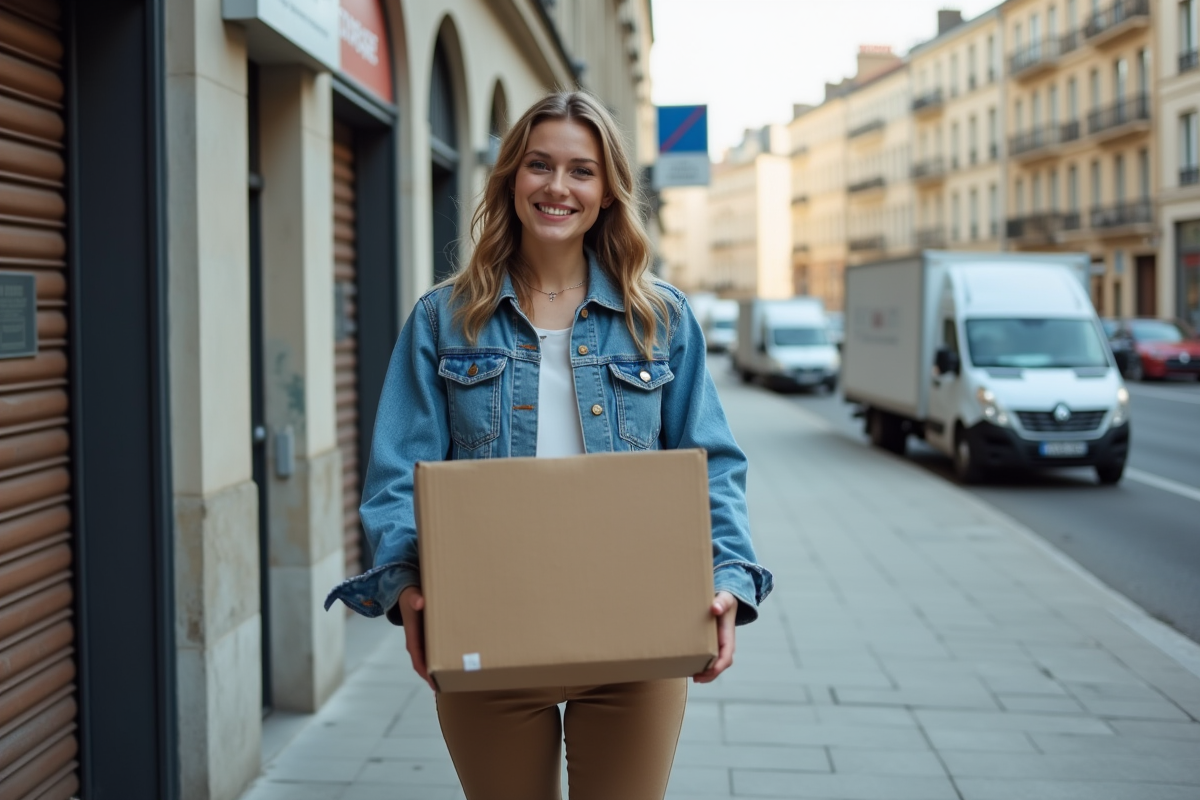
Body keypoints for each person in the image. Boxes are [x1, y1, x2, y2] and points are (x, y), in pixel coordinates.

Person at [325, 90, 772, 800]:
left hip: (638, 635)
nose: (557, 187)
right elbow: (398, 476)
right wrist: (406, 585)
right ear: (510, 178)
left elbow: (712, 465)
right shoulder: (444, 320)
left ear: (607, 192)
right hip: (490, 625)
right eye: (539, 165)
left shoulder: (661, 319)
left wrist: (729, 581)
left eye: (581, 170)